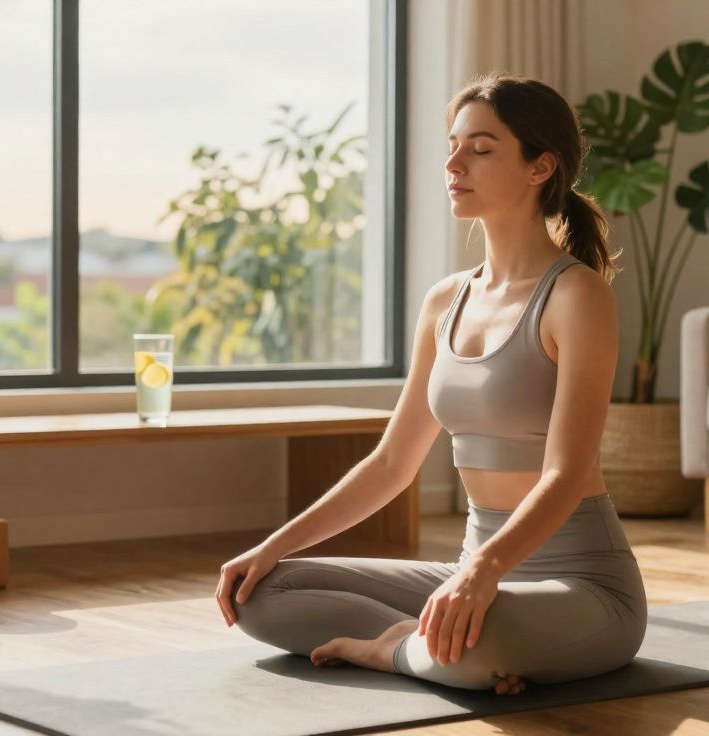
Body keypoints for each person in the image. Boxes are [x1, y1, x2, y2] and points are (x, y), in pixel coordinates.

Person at [214, 72, 645, 696]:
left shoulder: (577, 295)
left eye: (481, 147)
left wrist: (487, 571)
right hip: (471, 568)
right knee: (263, 592)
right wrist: (269, 547)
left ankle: (398, 648)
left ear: (539, 167)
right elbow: (393, 462)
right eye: (453, 144)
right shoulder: (446, 299)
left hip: (581, 585)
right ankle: (431, 644)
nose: (453, 163)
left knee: (477, 640)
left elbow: (567, 474)